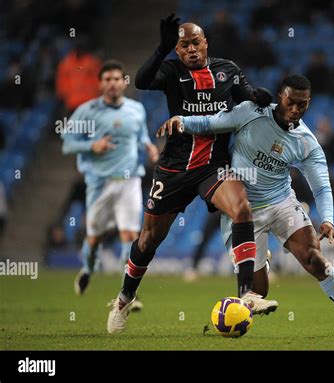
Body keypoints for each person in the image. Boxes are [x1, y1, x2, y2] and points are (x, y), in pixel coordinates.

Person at [159, 74, 334, 338]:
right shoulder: (251, 113)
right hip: (242, 210)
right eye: (290, 101)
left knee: (316, 261)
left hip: (281, 202)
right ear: (280, 95)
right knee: (258, 293)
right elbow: (212, 123)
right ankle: (261, 265)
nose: (295, 109)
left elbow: (322, 186)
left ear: (309, 103)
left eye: (302, 105)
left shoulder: (307, 142)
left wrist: (327, 219)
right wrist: (182, 121)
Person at [107, 15, 276, 334]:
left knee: (242, 210)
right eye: (183, 45)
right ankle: (125, 297)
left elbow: (248, 96)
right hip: (174, 169)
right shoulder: (172, 71)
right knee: (149, 239)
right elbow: (142, 81)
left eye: (196, 43)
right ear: (178, 50)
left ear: (206, 43)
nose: (191, 50)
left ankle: (247, 294)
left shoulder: (227, 69)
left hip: (214, 167)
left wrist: (260, 98)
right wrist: (161, 48)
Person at [62, 60, 159, 312]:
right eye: (108, 79)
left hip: (129, 181)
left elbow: (140, 136)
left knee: (130, 235)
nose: (113, 83)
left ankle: (127, 293)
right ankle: (87, 269)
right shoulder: (87, 111)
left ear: (124, 83)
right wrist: (90, 146)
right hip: (99, 182)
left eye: (117, 79)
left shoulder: (136, 109)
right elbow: (67, 143)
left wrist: (148, 146)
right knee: (94, 239)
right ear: (100, 83)